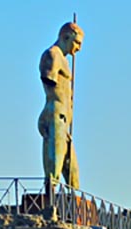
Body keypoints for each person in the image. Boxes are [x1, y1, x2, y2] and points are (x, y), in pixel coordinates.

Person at [38, 22, 84, 190]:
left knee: (73, 173)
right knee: (54, 171)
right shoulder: (52, 55)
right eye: (77, 42)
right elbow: (50, 85)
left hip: (64, 121)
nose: (78, 48)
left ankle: (73, 208)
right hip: (55, 116)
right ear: (66, 37)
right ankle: (50, 206)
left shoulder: (64, 60)